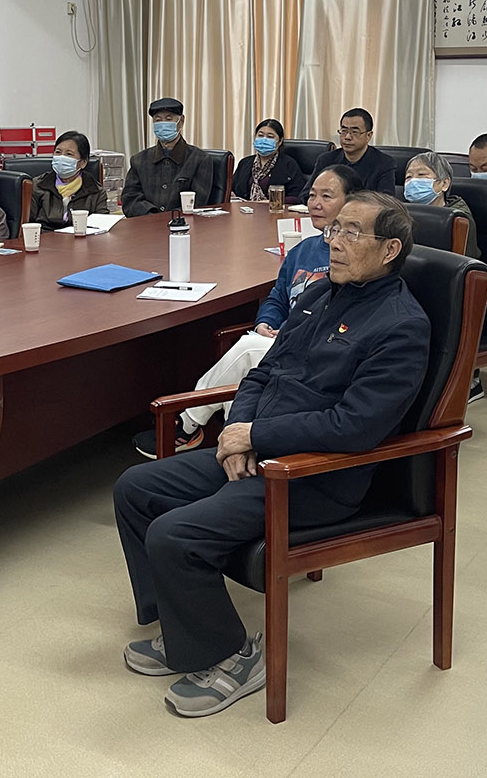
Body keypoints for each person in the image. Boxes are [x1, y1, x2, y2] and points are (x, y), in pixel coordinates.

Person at [114, 192, 429, 718]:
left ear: (390, 249)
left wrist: (258, 436)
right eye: (334, 230)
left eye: (352, 233)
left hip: (312, 477)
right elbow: (262, 372)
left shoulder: (401, 326)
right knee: (137, 488)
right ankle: (185, 627)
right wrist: (236, 431)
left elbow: (353, 427)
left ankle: (233, 657)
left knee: (175, 533)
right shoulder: (320, 294)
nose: (334, 242)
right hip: (262, 447)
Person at [133, 163, 363, 458]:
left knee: (248, 349)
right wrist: (265, 322)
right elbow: (278, 297)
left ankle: (187, 425)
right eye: (312, 195)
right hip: (280, 342)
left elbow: (341, 317)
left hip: (311, 350)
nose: (315, 204)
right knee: (250, 366)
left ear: (352, 203)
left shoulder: (350, 258)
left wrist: (285, 332)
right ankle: (233, 452)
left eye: (327, 196)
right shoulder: (303, 250)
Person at [121, 97, 215, 216]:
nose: (163, 124)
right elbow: (130, 198)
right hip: (146, 223)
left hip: (184, 224)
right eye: (158, 120)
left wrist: (170, 219)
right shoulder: (139, 160)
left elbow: (197, 203)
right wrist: (152, 217)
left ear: (181, 121)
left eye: (169, 119)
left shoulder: (200, 159)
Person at [403, 152, 480, 259]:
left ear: (444, 183)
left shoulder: (458, 218)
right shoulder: (400, 212)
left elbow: (462, 261)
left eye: (421, 175)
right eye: (408, 177)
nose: (413, 181)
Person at [29, 130, 110, 230]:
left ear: (83, 162)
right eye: (58, 152)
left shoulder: (96, 191)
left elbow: (102, 226)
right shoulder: (38, 185)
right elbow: (28, 223)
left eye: (69, 154)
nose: (61, 158)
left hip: (82, 237)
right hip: (45, 237)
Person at [309, 108, 396, 193]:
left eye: (354, 132)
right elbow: (306, 193)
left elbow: (386, 199)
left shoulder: (384, 163)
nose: (347, 137)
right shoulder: (326, 160)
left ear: (368, 136)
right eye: (344, 131)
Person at [229, 118, 305, 203]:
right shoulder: (245, 163)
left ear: (280, 141)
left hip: (274, 209)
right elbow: (231, 188)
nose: (264, 140)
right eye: (260, 135)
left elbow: (298, 196)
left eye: (270, 137)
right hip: (244, 208)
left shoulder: (289, 164)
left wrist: (271, 201)